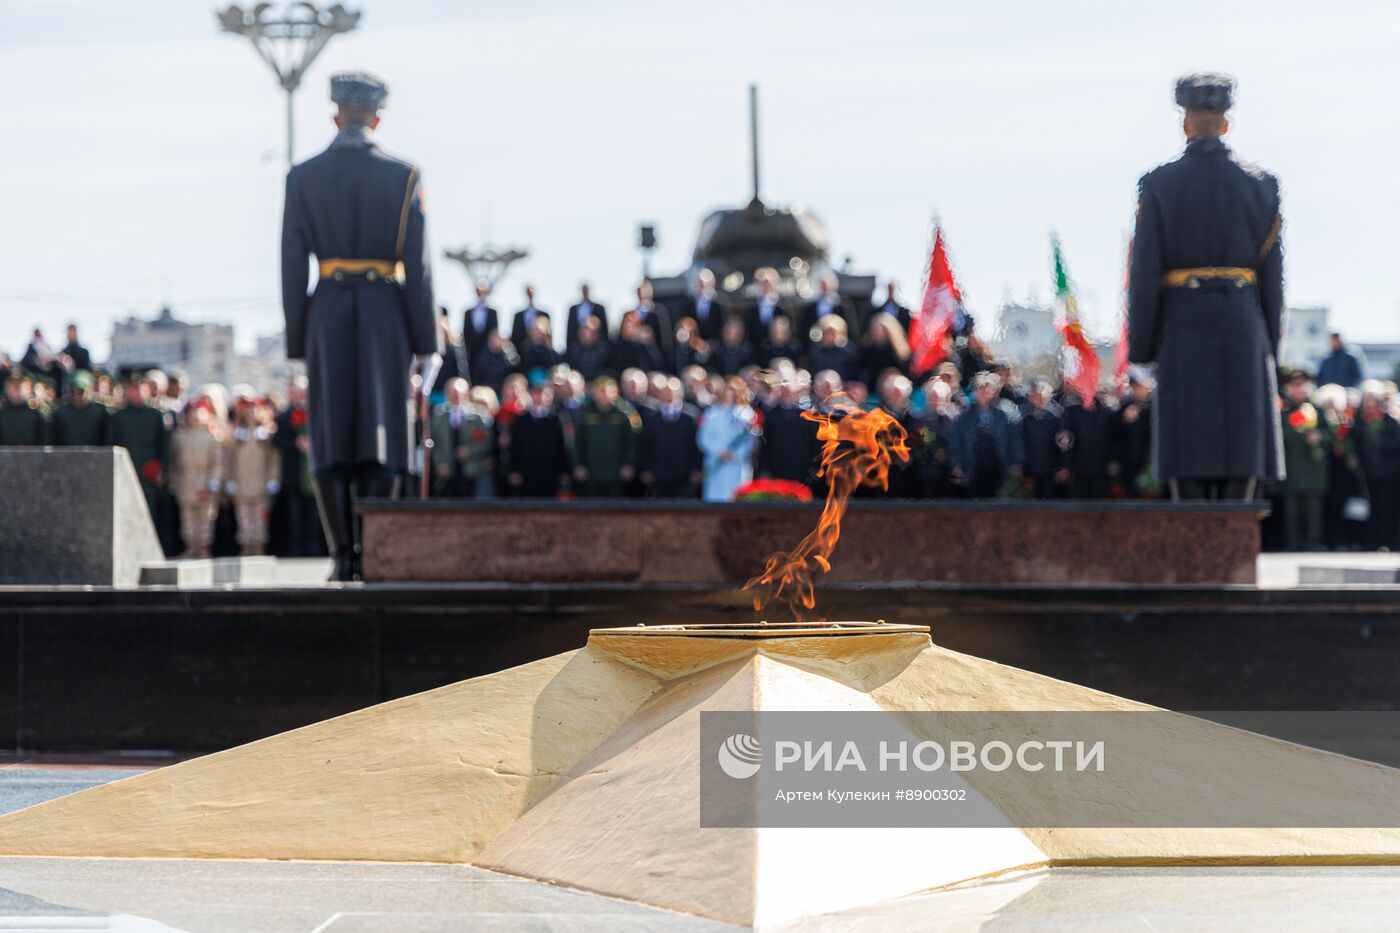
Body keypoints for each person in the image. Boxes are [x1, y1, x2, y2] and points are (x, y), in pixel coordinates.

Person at [281, 71, 438, 580]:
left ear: (335, 117)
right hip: (384, 314)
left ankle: (341, 555)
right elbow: (419, 266)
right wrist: (425, 343)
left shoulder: (302, 176)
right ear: (375, 118)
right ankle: (375, 554)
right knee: (382, 432)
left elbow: (290, 263)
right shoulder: (404, 175)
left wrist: (298, 336)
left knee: (331, 434)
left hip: (325, 311)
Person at [1127, 73, 1284, 501]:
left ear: (1185, 124)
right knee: (1243, 450)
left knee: (1187, 448)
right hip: (1243, 322)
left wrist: (1141, 350)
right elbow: (1273, 279)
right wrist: (1269, 348)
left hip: (1183, 324)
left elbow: (1143, 275)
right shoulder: (1262, 184)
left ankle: (1193, 555)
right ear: (1226, 123)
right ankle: (1236, 556)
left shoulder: (1159, 184)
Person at [271, 377, 324, 557]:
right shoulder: (283, 416)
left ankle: (313, 547)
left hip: (312, 474)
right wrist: (296, 442)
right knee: (294, 515)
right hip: (293, 474)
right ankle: (295, 548)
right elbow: (277, 440)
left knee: (314, 513)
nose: (299, 394)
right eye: (295, 391)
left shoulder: (318, 413)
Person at [1278, 371, 1330, 551]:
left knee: (1313, 510)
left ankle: (1313, 542)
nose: (1298, 389)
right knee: (1291, 511)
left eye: (1302, 384)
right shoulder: (1283, 413)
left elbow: (1332, 435)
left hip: (1313, 471)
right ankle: (1292, 543)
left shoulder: (1319, 412)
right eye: (1295, 385)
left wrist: (1320, 436)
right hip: (1292, 470)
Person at [950, 372, 1023, 498]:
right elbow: (956, 442)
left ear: (995, 391)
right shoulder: (964, 417)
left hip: (999, 466)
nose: (983, 391)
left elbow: (1015, 440)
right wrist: (957, 464)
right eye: (979, 387)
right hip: (974, 467)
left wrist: (1016, 462)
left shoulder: (1007, 413)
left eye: (987, 387)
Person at [109, 375, 170, 523]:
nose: (137, 393)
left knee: (149, 515)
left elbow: (164, 446)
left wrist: (162, 470)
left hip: (149, 473)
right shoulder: (118, 416)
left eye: (141, 389)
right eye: (133, 389)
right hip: (125, 472)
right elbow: (111, 444)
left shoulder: (156, 416)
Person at [170, 400, 224, 558]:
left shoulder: (211, 438)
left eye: (199, 413)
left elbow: (217, 463)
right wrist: (173, 480)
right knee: (187, 519)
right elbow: (174, 462)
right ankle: (189, 548)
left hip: (204, 482)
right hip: (185, 482)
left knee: (205, 519)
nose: (194, 417)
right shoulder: (179, 437)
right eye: (191, 413)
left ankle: (203, 549)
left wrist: (213, 481)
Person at [572, 377, 641, 498]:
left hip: (616, 472)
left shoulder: (625, 413)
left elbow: (632, 441)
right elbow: (577, 442)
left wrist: (629, 464)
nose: (604, 394)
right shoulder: (585, 413)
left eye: (607, 390)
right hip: (592, 471)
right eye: (600, 390)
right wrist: (578, 464)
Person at [1351, 383, 1400, 550]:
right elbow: (1353, 445)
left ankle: (1386, 542)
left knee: (1386, 510)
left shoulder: (1390, 423)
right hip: (1366, 475)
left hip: (1388, 475)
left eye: (1373, 400)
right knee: (1366, 510)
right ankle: (1368, 542)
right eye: (1367, 400)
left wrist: (1377, 445)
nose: (1370, 404)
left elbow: (1395, 444)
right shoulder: (1358, 423)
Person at [429, 377, 495, 497]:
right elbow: (435, 441)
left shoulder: (479, 415)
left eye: (458, 392)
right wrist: (440, 462)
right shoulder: (438, 415)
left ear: (466, 393)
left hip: (472, 471)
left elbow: (487, 442)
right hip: (448, 471)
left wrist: (470, 451)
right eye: (452, 392)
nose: (456, 395)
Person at [697, 376, 758, 502]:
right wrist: (720, 451)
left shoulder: (747, 415)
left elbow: (751, 440)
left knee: (737, 497)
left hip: (738, 463)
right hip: (716, 462)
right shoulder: (711, 414)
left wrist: (735, 453)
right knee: (715, 498)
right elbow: (704, 438)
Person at [639, 376, 701, 497]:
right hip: (659, 472)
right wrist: (647, 469)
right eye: (665, 392)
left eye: (672, 392)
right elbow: (646, 445)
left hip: (684, 472)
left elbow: (695, 445)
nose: (669, 395)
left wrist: (696, 468)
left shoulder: (690, 417)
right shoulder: (652, 419)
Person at [506, 382, 570, 497]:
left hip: (550, 473)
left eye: (545, 394)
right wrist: (513, 470)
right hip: (526, 473)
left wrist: (563, 471)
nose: (540, 398)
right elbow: (514, 446)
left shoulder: (557, 419)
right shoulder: (521, 420)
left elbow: (563, 447)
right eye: (536, 394)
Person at [1020, 379, 1066, 499]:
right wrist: (1025, 471)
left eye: (1040, 395)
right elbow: (1024, 445)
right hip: (1033, 471)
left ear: (1049, 396)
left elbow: (1064, 447)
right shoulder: (1025, 420)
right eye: (1033, 395)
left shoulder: (1059, 417)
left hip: (1053, 472)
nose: (1037, 398)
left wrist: (1062, 467)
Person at [50, 370, 109, 446]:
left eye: (81, 391)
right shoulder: (61, 413)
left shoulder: (100, 413)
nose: (77, 395)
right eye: (74, 391)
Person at [629, 280, 674, 366]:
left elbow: (665, 337)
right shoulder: (632, 314)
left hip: (655, 355)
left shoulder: (659, 312)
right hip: (637, 356)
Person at [798, 275, 853, 346]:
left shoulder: (842, 305)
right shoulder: (811, 307)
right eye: (823, 285)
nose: (825, 287)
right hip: (817, 344)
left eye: (827, 285)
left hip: (838, 344)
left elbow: (849, 326)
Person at [806, 316, 860, 382]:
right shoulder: (815, 352)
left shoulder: (849, 351)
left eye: (833, 334)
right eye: (827, 333)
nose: (830, 337)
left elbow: (854, 374)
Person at [0, 373, 47, 445]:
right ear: (6, 389)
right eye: (13, 386)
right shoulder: (2, 415)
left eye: (20, 385)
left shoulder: (36, 416)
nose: (16, 389)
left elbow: (43, 444)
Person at [745, 269, 788, 348]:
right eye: (762, 283)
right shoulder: (752, 305)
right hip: (756, 346)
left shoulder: (782, 304)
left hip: (777, 347)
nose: (765, 286)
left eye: (767, 283)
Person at [564, 316, 611, 383]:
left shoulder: (606, 351)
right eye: (582, 329)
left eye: (589, 330)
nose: (585, 333)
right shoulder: (571, 350)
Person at [461, 280, 499, 362]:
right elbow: (465, 332)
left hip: (488, 353)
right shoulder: (468, 312)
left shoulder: (493, 312)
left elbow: (494, 331)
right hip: (471, 352)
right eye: (478, 291)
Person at [566, 282, 608, 349]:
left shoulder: (599, 308)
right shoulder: (573, 309)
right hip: (577, 346)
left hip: (596, 346)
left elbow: (605, 328)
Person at [687, 268, 725, 342]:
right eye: (700, 283)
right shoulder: (689, 303)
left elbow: (721, 324)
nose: (702, 286)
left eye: (704, 283)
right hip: (695, 343)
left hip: (714, 343)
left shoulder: (719, 303)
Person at [509, 284, 550, 349]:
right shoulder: (518, 316)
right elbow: (514, 336)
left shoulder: (544, 314)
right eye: (528, 292)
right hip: (522, 352)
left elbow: (549, 335)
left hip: (541, 351)